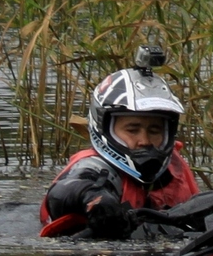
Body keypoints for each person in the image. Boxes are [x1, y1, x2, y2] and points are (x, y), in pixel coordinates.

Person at [39, 48, 200, 238]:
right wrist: (94, 198)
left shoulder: (174, 167)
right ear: (105, 128)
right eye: (132, 130)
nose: (144, 141)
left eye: (154, 131)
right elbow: (62, 192)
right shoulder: (93, 167)